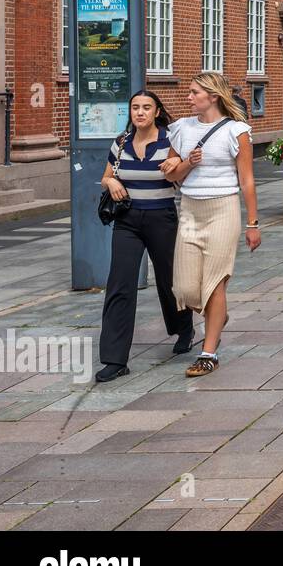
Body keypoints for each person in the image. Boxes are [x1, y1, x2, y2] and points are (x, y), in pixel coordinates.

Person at [161, 72, 261, 378]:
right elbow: (171, 176)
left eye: (194, 93)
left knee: (215, 282)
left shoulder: (237, 131)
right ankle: (220, 316)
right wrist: (187, 163)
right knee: (185, 288)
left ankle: (208, 351)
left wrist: (253, 223)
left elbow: (247, 180)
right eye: (189, 92)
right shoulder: (180, 129)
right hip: (190, 210)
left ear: (213, 96)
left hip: (223, 209)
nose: (188, 97)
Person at [94, 91, 194, 383]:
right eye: (135, 107)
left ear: (156, 111)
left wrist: (176, 166)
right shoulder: (121, 142)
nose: (140, 112)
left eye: (146, 107)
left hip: (161, 218)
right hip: (127, 221)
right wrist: (111, 180)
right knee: (120, 284)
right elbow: (106, 176)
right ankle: (115, 359)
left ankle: (183, 328)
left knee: (169, 280)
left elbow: (180, 176)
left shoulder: (170, 141)